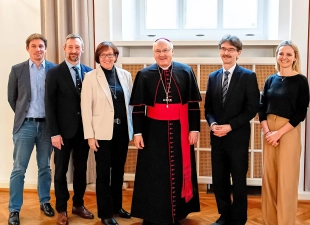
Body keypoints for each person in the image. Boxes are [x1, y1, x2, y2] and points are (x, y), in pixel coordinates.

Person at [130, 37, 201, 224]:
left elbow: (193, 104)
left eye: (165, 50)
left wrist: (194, 129)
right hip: (153, 131)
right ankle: (153, 213)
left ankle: (178, 212)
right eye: (158, 51)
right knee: (153, 172)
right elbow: (138, 108)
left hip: (180, 129)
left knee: (178, 170)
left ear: (172, 51)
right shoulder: (144, 74)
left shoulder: (185, 71)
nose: (162, 54)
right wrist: (137, 133)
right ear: (153, 53)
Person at [204, 35, 260, 225]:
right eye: (223, 49)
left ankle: (238, 219)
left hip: (237, 138)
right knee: (219, 180)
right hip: (217, 138)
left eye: (231, 49)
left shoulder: (248, 76)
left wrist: (230, 126)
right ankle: (224, 216)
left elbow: (252, 109)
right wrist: (213, 125)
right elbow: (208, 109)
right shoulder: (213, 77)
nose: (226, 53)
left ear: (238, 53)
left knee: (238, 181)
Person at [81, 41, 133, 225]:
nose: (108, 58)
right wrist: (90, 136)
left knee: (119, 172)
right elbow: (85, 108)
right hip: (101, 134)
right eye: (103, 55)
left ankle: (117, 207)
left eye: (111, 54)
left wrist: (133, 131)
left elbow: (130, 105)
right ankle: (105, 214)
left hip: (121, 132)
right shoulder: (90, 77)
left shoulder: (125, 75)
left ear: (116, 56)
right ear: (98, 58)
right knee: (103, 174)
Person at [7, 33, 57, 225]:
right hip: (25, 126)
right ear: (27, 48)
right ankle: (14, 209)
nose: (38, 50)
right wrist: (24, 114)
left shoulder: (53, 69)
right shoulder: (17, 70)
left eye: (41, 46)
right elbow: (13, 99)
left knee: (44, 167)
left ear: (46, 49)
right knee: (19, 169)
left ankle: (45, 201)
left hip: (47, 126)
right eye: (34, 46)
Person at [258, 40, 310, 225]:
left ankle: (285, 221)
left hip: (288, 130)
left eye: (289, 54)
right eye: (281, 53)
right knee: (270, 178)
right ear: (277, 56)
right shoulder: (270, 79)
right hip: (268, 131)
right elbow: (262, 107)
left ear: (295, 57)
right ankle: (269, 220)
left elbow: (300, 113)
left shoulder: (301, 81)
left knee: (286, 179)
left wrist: (278, 133)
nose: (284, 57)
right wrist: (267, 131)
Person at [45, 34, 94, 225]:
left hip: (84, 132)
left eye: (77, 47)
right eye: (70, 47)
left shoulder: (90, 73)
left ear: (82, 49)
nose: (74, 51)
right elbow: (49, 104)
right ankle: (62, 209)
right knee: (60, 172)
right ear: (64, 49)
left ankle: (78, 204)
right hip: (62, 134)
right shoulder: (55, 73)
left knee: (81, 170)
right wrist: (54, 133)